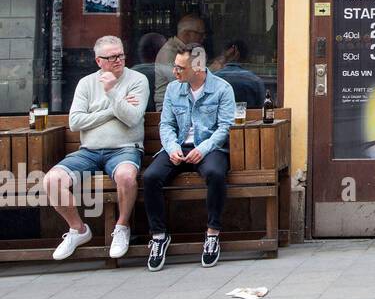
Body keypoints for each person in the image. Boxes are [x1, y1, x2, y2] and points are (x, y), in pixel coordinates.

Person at [43, 36, 150, 261]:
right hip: (89, 151)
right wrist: (113, 109)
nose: (118, 60)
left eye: (121, 54)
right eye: (112, 57)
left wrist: (111, 92)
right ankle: (78, 229)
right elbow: (75, 122)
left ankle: (122, 227)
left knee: (126, 176)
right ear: (98, 61)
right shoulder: (86, 83)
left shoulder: (138, 79)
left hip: (124, 148)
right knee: (51, 180)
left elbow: (132, 118)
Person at [142, 45, 235, 271]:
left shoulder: (222, 89)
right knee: (150, 177)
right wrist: (172, 147)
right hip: (178, 146)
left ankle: (212, 233)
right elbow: (166, 124)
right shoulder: (174, 90)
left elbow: (225, 127)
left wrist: (202, 149)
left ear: (198, 67)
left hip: (209, 148)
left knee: (215, 173)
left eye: (180, 68)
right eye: (174, 66)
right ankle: (158, 236)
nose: (175, 72)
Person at [153, 14, 207, 109]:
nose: (204, 38)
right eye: (201, 34)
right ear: (187, 34)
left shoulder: (191, 50)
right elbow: (183, 80)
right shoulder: (168, 52)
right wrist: (214, 68)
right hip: (168, 108)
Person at [213, 39, 267, 107]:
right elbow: (262, 109)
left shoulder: (213, 79)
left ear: (234, 52)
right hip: (249, 117)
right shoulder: (255, 81)